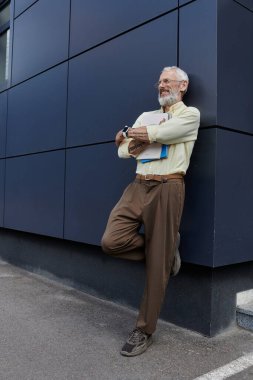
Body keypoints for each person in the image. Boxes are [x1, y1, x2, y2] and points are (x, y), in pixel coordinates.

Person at [101, 66, 200, 357]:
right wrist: (143, 136)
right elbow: (122, 151)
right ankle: (165, 253)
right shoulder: (146, 116)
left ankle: (144, 330)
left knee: (158, 266)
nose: (161, 85)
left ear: (182, 86)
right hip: (138, 185)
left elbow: (159, 134)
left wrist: (132, 135)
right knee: (111, 241)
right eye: (159, 81)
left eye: (167, 80)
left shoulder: (190, 115)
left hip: (168, 186)